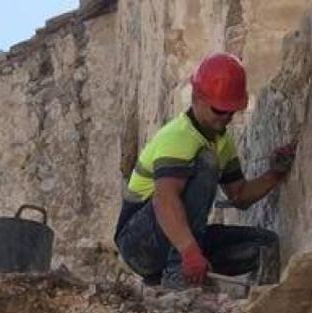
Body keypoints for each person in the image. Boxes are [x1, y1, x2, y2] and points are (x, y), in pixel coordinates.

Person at [114, 53, 296, 290]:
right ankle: (177, 275)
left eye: (231, 112)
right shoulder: (179, 137)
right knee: (206, 162)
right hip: (138, 242)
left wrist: (275, 174)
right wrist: (189, 253)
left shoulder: (222, 141)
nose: (226, 118)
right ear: (197, 97)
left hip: (178, 238)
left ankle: (179, 273)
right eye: (219, 110)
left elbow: (239, 195)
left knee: (265, 245)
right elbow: (164, 199)